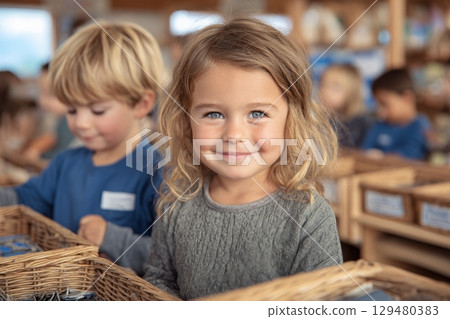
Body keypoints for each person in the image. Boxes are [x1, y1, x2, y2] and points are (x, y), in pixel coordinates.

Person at [143, 18, 343, 300]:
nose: (234, 134)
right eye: (213, 114)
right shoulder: (176, 205)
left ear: (291, 119)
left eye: (257, 113)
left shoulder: (309, 215)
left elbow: (325, 302)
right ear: (186, 119)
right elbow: (159, 280)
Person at [0, 21, 164, 276]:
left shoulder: (156, 170)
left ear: (141, 104)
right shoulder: (66, 162)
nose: (81, 123)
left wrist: (111, 237)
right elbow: (23, 199)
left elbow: (169, 260)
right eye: (72, 110)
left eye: (97, 110)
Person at [362, 68, 429, 160]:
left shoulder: (420, 127)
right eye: (377, 104)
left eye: (384, 104)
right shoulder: (379, 125)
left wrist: (382, 158)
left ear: (407, 98)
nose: (379, 110)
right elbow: (365, 150)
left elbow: (411, 156)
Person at [22, 63, 79, 160]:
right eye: (39, 92)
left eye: (50, 95)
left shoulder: (76, 129)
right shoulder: (54, 119)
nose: (41, 101)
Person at [319, 63, 374, 148]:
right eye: (322, 85)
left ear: (352, 92)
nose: (325, 91)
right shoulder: (321, 120)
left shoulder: (361, 123)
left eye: (335, 87)